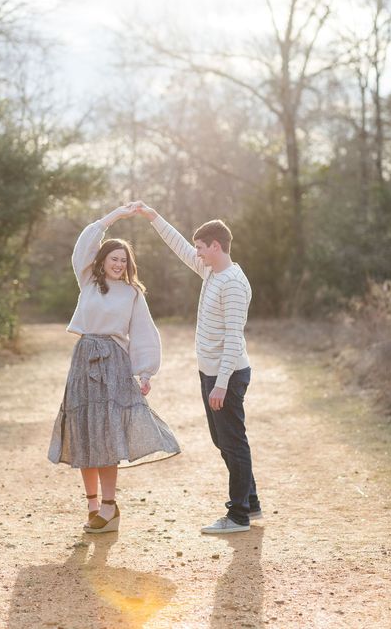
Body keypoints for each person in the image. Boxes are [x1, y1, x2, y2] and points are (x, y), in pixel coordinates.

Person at [48, 204, 180, 534]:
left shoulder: (133, 293)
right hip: (84, 358)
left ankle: (109, 507)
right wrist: (116, 216)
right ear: (103, 260)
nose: (119, 264)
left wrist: (145, 372)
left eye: (124, 260)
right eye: (114, 258)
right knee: (84, 430)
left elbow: (144, 331)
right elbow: (84, 243)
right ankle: (92, 505)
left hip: (115, 363)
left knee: (106, 434)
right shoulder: (88, 281)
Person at [132, 201, 261, 534]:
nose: (197, 253)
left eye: (202, 248)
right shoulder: (211, 271)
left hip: (226, 376)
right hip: (213, 374)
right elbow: (179, 247)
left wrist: (221, 383)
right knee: (225, 440)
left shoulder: (232, 282)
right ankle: (250, 501)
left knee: (232, 441)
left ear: (216, 247)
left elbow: (234, 338)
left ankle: (238, 516)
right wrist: (153, 217)